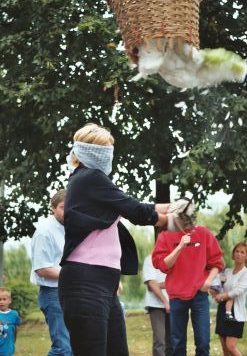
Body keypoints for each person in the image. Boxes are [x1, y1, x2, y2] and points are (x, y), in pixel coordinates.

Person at [58, 122, 170, 356]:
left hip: (103, 282)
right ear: (91, 151)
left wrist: (173, 208)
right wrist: (173, 219)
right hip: (85, 282)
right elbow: (135, 210)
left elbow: (133, 206)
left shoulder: (91, 182)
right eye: (105, 149)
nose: (109, 154)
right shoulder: (89, 177)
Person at [152, 197, 224, 356]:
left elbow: (217, 263)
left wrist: (209, 280)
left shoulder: (204, 234)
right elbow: (162, 265)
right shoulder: (165, 236)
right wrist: (180, 247)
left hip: (199, 295)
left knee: (203, 343)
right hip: (176, 296)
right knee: (177, 345)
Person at [30, 189, 73, 356]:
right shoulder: (44, 231)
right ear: (53, 208)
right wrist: (76, 274)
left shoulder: (72, 227)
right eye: (63, 207)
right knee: (63, 348)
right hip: (53, 294)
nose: (67, 210)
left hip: (71, 292)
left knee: (75, 347)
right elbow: (42, 269)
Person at [214, 243, 247, 356]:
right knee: (225, 349)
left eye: (242, 252)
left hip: (235, 312)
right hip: (222, 309)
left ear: (246, 256)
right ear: (233, 254)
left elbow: (237, 291)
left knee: (231, 346)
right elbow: (218, 285)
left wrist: (222, 296)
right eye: (237, 251)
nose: (239, 254)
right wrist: (216, 292)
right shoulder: (227, 272)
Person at [142, 253, 172, 356]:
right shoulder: (149, 259)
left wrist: (159, 285)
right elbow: (151, 284)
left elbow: (180, 280)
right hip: (156, 305)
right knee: (160, 341)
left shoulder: (175, 257)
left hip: (175, 303)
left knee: (173, 341)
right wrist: (165, 302)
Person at [0, 287, 21, 356]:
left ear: (10, 300)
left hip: (8, 349)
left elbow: (15, 330)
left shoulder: (14, 314)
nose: (1, 302)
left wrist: (13, 342)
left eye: (4, 299)